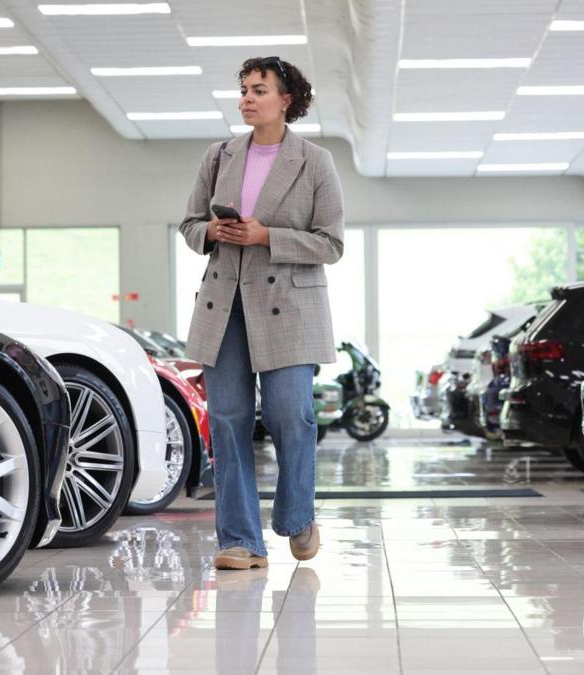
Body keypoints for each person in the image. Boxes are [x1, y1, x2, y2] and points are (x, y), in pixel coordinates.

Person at [178, 56, 344, 570]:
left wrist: (266, 235)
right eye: (245, 90)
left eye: (259, 90)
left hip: (289, 307)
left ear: (286, 100)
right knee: (227, 420)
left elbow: (331, 243)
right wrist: (212, 231)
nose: (247, 99)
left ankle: (298, 517)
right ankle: (240, 540)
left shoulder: (315, 161)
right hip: (224, 304)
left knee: (290, 414)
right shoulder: (219, 155)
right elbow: (189, 225)